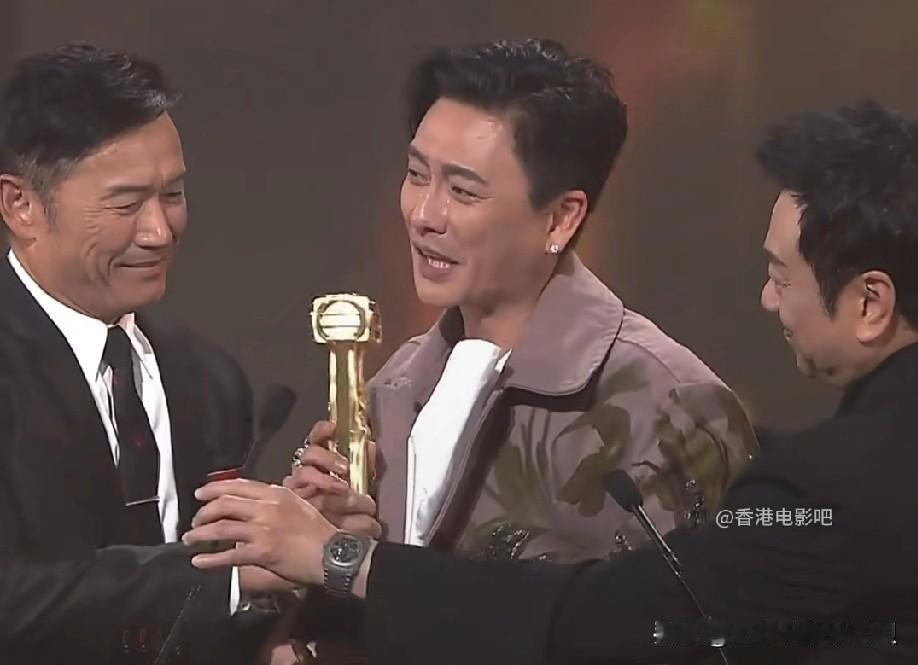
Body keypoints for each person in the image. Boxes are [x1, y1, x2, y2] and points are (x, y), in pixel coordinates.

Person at [186, 99, 918, 665]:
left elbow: (616, 616)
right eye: (416, 175)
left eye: (781, 277)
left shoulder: (798, 470)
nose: (766, 299)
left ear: (871, 303)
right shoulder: (395, 386)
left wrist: (339, 558)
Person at [0, 43, 288, 664]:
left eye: (173, 195)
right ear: (21, 206)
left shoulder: (209, 379)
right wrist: (226, 579)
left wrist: (291, 547)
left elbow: (225, 618)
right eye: (126, 204)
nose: (159, 232)